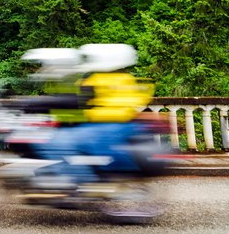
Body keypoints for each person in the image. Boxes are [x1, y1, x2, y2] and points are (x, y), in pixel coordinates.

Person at [29, 44, 154, 185]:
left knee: (59, 142)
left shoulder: (98, 79)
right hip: (118, 125)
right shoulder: (126, 78)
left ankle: (76, 181)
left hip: (104, 126)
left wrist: (42, 104)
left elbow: (77, 100)